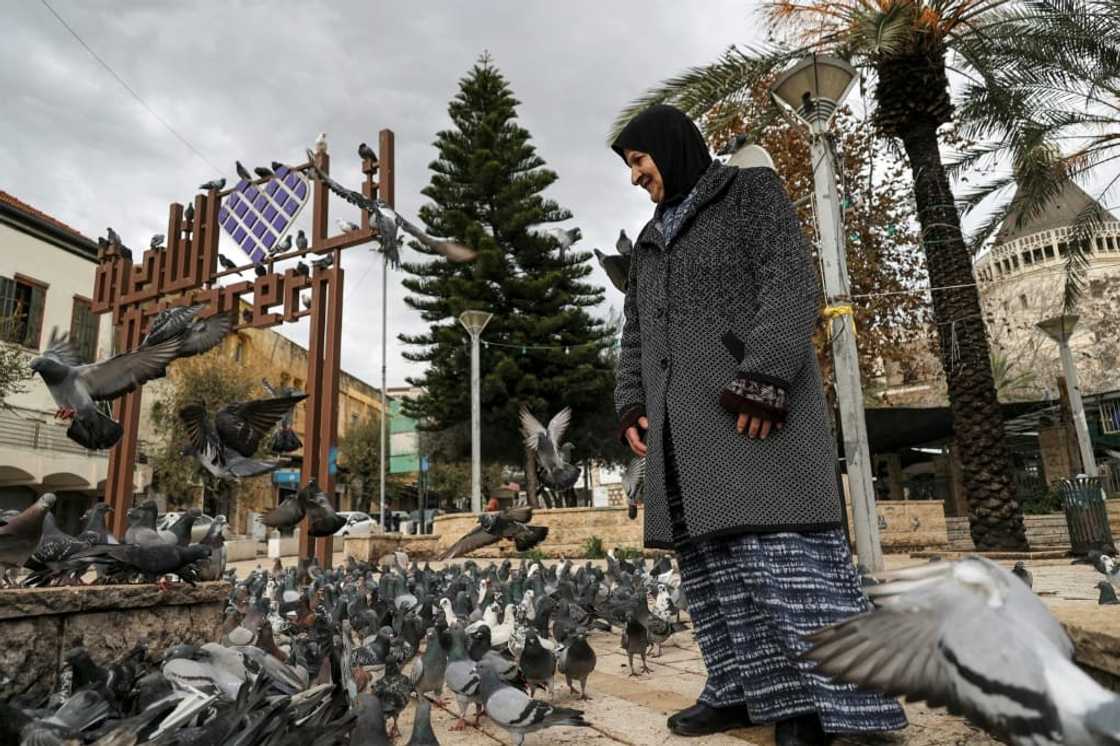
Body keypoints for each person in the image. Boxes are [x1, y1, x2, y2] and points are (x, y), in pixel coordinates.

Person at [611, 105, 907, 745]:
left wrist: (765, 375)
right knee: (715, 572)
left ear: (670, 146)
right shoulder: (649, 240)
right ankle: (743, 691)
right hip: (682, 433)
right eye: (631, 166)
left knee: (788, 569)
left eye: (639, 160)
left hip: (751, 416)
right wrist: (632, 401)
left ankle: (843, 712)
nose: (636, 176)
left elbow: (792, 283)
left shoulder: (748, 191)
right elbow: (636, 332)